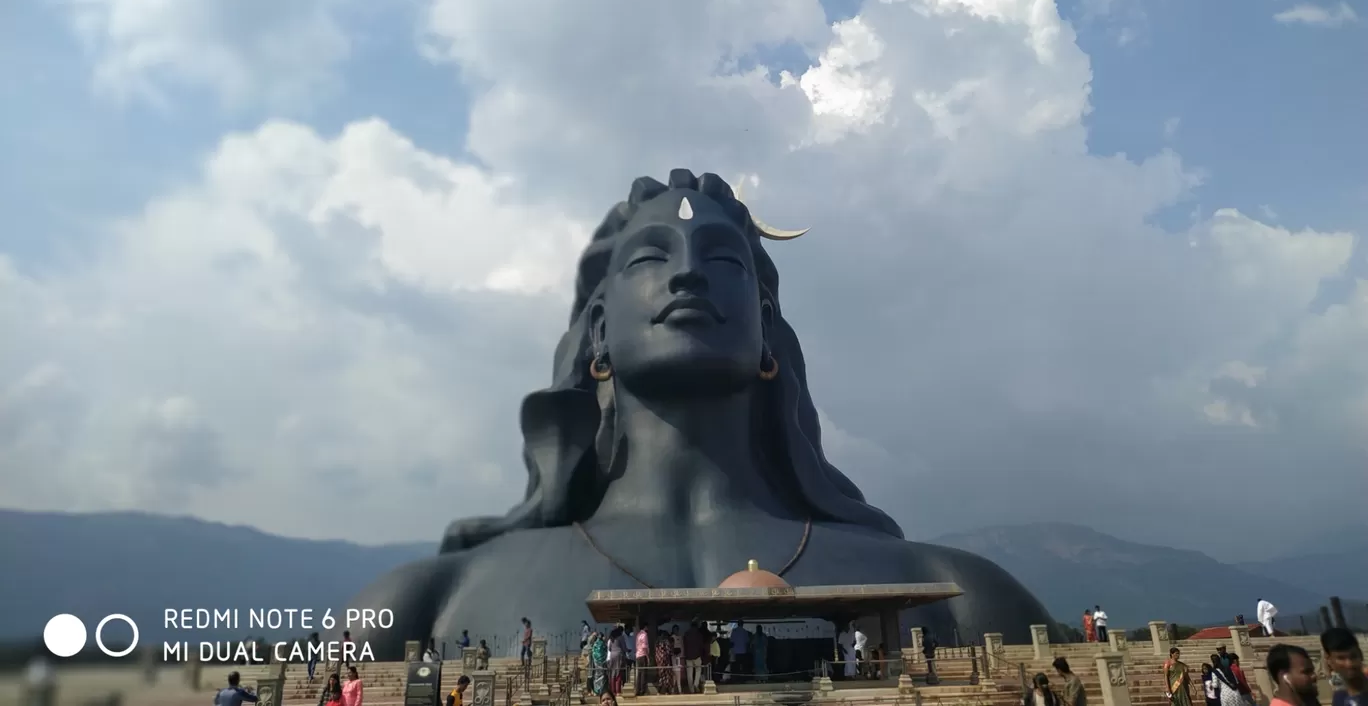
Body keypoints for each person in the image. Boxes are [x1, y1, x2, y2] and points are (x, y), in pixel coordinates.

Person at [347, 171, 1054, 652]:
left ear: (768, 329)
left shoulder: (961, 598)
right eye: (651, 258)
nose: (686, 272)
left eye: (725, 261)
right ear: (598, 333)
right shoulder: (423, 603)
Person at [1322, 629, 1365, 706]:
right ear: (1329, 660)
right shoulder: (1339, 698)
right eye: (1341, 658)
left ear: (1361, 655)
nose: (1349, 664)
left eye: (1353, 656)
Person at [653, 628, 675, 695]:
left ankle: (659, 691)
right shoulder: (665, 641)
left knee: (661, 676)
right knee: (667, 676)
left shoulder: (657, 642)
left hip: (659, 661)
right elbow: (669, 652)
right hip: (665, 661)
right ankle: (666, 691)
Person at [590, 632, 609, 696]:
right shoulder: (603, 644)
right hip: (602, 662)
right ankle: (601, 690)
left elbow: (593, 653)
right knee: (602, 675)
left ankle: (596, 690)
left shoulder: (595, 644)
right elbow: (606, 652)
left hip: (596, 662)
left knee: (597, 675)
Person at [634, 626, 650, 695]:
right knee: (644, 673)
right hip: (643, 655)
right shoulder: (644, 634)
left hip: (638, 655)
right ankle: (642, 690)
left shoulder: (638, 634)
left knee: (639, 673)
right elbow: (644, 647)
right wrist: (648, 656)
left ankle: (638, 689)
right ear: (646, 627)